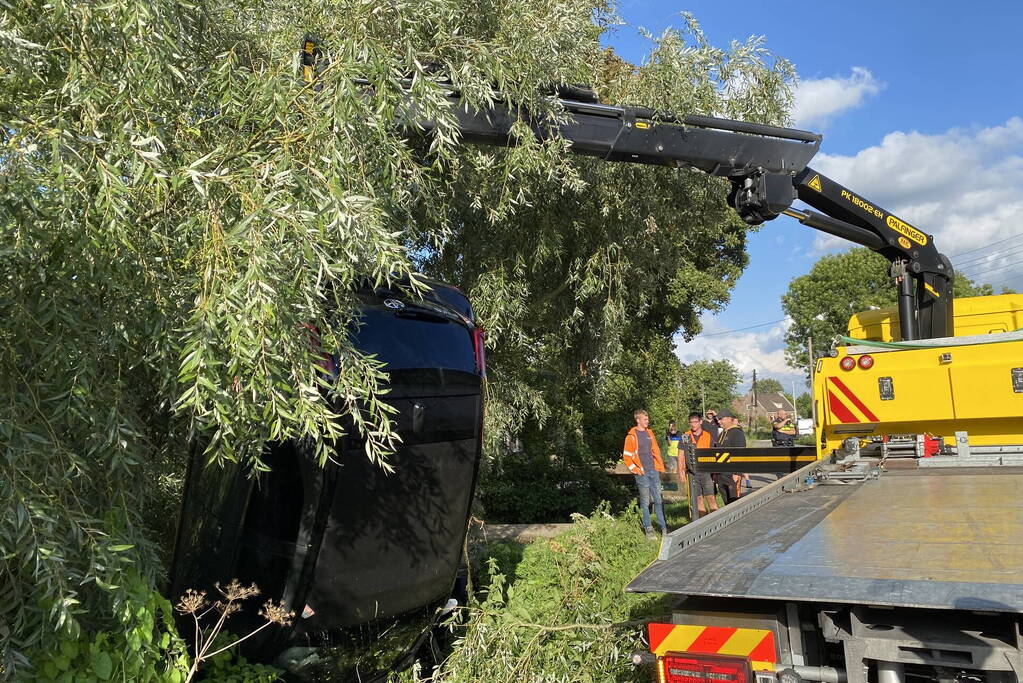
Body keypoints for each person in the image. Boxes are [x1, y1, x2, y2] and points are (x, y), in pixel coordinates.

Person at [622, 409, 668, 539]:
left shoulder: (649, 433)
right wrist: (635, 469)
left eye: (647, 419)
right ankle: (649, 529)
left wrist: (659, 466)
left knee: (659, 500)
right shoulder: (631, 436)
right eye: (645, 419)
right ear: (638, 420)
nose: (647, 421)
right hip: (642, 474)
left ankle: (663, 527)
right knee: (645, 501)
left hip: (653, 471)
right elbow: (627, 457)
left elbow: (656, 451)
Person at [680, 412, 718, 520]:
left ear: (700, 422)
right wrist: (681, 471)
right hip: (692, 473)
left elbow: (713, 454)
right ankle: (703, 523)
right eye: (691, 422)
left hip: (706, 472)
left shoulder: (707, 435)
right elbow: (681, 454)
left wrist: (714, 472)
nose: (693, 424)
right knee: (698, 499)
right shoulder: (685, 436)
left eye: (695, 422)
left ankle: (716, 520)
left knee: (711, 497)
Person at [713, 409, 746, 505]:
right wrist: (716, 472)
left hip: (732, 474)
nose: (718, 422)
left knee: (734, 501)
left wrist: (737, 473)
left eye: (720, 419)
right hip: (721, 474)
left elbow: (740, 453)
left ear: (728, 419)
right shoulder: (722, 433)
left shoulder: (737, 433)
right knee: (726, 501)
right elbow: (717, 453)